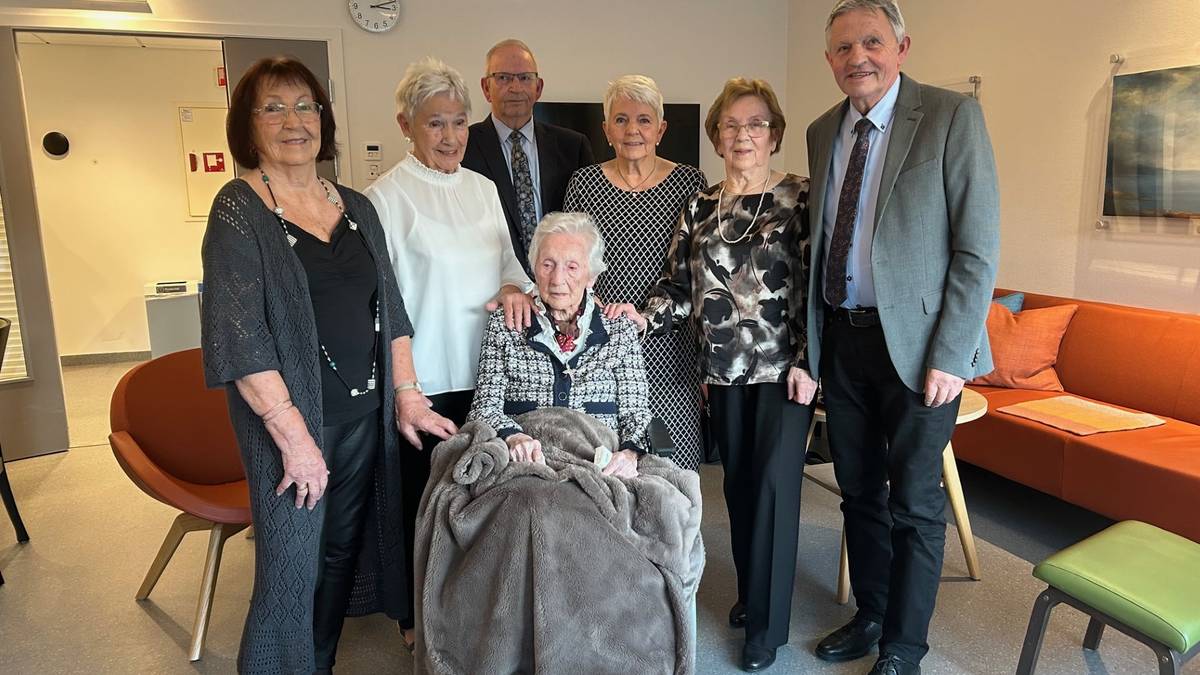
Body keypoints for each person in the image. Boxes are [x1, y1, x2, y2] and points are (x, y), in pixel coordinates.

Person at [200, 55, 456, 674]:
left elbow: (391, 311)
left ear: (323, 119)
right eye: (274, 108)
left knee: (340, 550)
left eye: (305, 106)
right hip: (290, 423)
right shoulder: (239, 209)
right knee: (291, 562)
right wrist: (295, 441)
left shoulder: (356, 206)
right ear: (248, 125)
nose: (294, 122)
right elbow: (241, 338)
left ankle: (318, 663)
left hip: (364, 415)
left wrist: (407, 394)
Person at [805, 2, 1000, 674]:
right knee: (859, 491)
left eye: (871, 42)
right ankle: (871, 614)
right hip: (844, 340)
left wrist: (951, 353)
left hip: (922, 353)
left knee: (915, 503)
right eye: (842, 47)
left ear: (902, 47)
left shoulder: (950, 116)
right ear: (828, 60)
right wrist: (814, 349)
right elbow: (822, 243)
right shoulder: (822, 131)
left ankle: (903, 647)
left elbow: (977, 249)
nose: (857, 56)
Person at [608, 77, 816, 673]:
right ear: (716, 137)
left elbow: (817, 287)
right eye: (731, 125)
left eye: (755, 125)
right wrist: (641, 316)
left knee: (774, 491)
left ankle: (767, 632)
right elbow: (679, 288)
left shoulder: (800, 197)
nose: (743, 135)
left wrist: (810, 362)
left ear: (773, 134)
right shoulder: (700, 206)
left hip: (783, 371)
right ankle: (752, 595)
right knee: (741, 489)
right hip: (722, 373)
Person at [363, 56, 533, 648]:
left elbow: (512, 268)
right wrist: (404, 386)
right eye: (435, 123)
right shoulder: (383, 199)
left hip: (489, 375)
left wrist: (514, 288)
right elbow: (381, 303)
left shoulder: (483, 189)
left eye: (459, 121)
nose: (450, 136)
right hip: (424, 379)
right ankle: (417, 616)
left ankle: (473, 607)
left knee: (482, 497)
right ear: (406, 125)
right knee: (425, 501)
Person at [563, 74, 707, 472]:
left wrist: (647, 317)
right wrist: (593, 312)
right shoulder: (584, 183)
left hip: (669, 346)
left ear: (660, 129)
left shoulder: (690, 182)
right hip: (603, 344)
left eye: (644, 120)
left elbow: (695, 271)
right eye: (621, 119)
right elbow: (571, 259)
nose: (633, 130)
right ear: (606, 129)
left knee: (673, 463)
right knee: (608, 464)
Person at [469, 211, 651, 476]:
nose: (557, 279)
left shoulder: (619, 329)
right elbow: (484, 408)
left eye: (572, 267)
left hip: (600, 467)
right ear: (534, 268)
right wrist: (513, 436)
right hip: (528, 468)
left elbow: (636, 414)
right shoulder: (506, 324)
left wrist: (629, 454)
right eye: (547, 265)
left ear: (591, 276)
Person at [461, 39, 595, 274]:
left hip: (559, 281)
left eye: (524, 78)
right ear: (486, 88)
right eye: (503, 78)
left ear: (538, 88)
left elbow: (587, 227)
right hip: (490, 280)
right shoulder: (463, 148)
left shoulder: (573, 147)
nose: (515, 88)